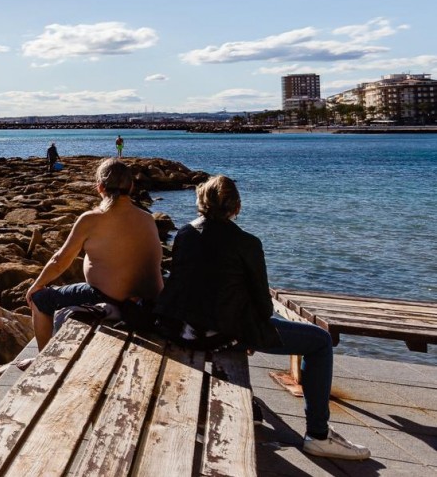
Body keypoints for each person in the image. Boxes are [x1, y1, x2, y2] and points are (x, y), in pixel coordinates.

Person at [156, 175, 370, 461]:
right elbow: (262, 305)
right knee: (319, 341)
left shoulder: (184, 234)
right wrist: (250, 334)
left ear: (201, 202)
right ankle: (318, 434)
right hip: (223, 332)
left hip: (183, 329)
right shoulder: (247, 243)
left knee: (263, 329)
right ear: (236, 207)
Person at [26, 159, 163, 349]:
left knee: (40, 300)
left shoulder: (91, 219)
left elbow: (59, 261)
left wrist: (35, 286)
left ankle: (42, 358)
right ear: (131, 186)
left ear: (99, 187)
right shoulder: (147, 218)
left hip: (111, 300)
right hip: (148, 301)